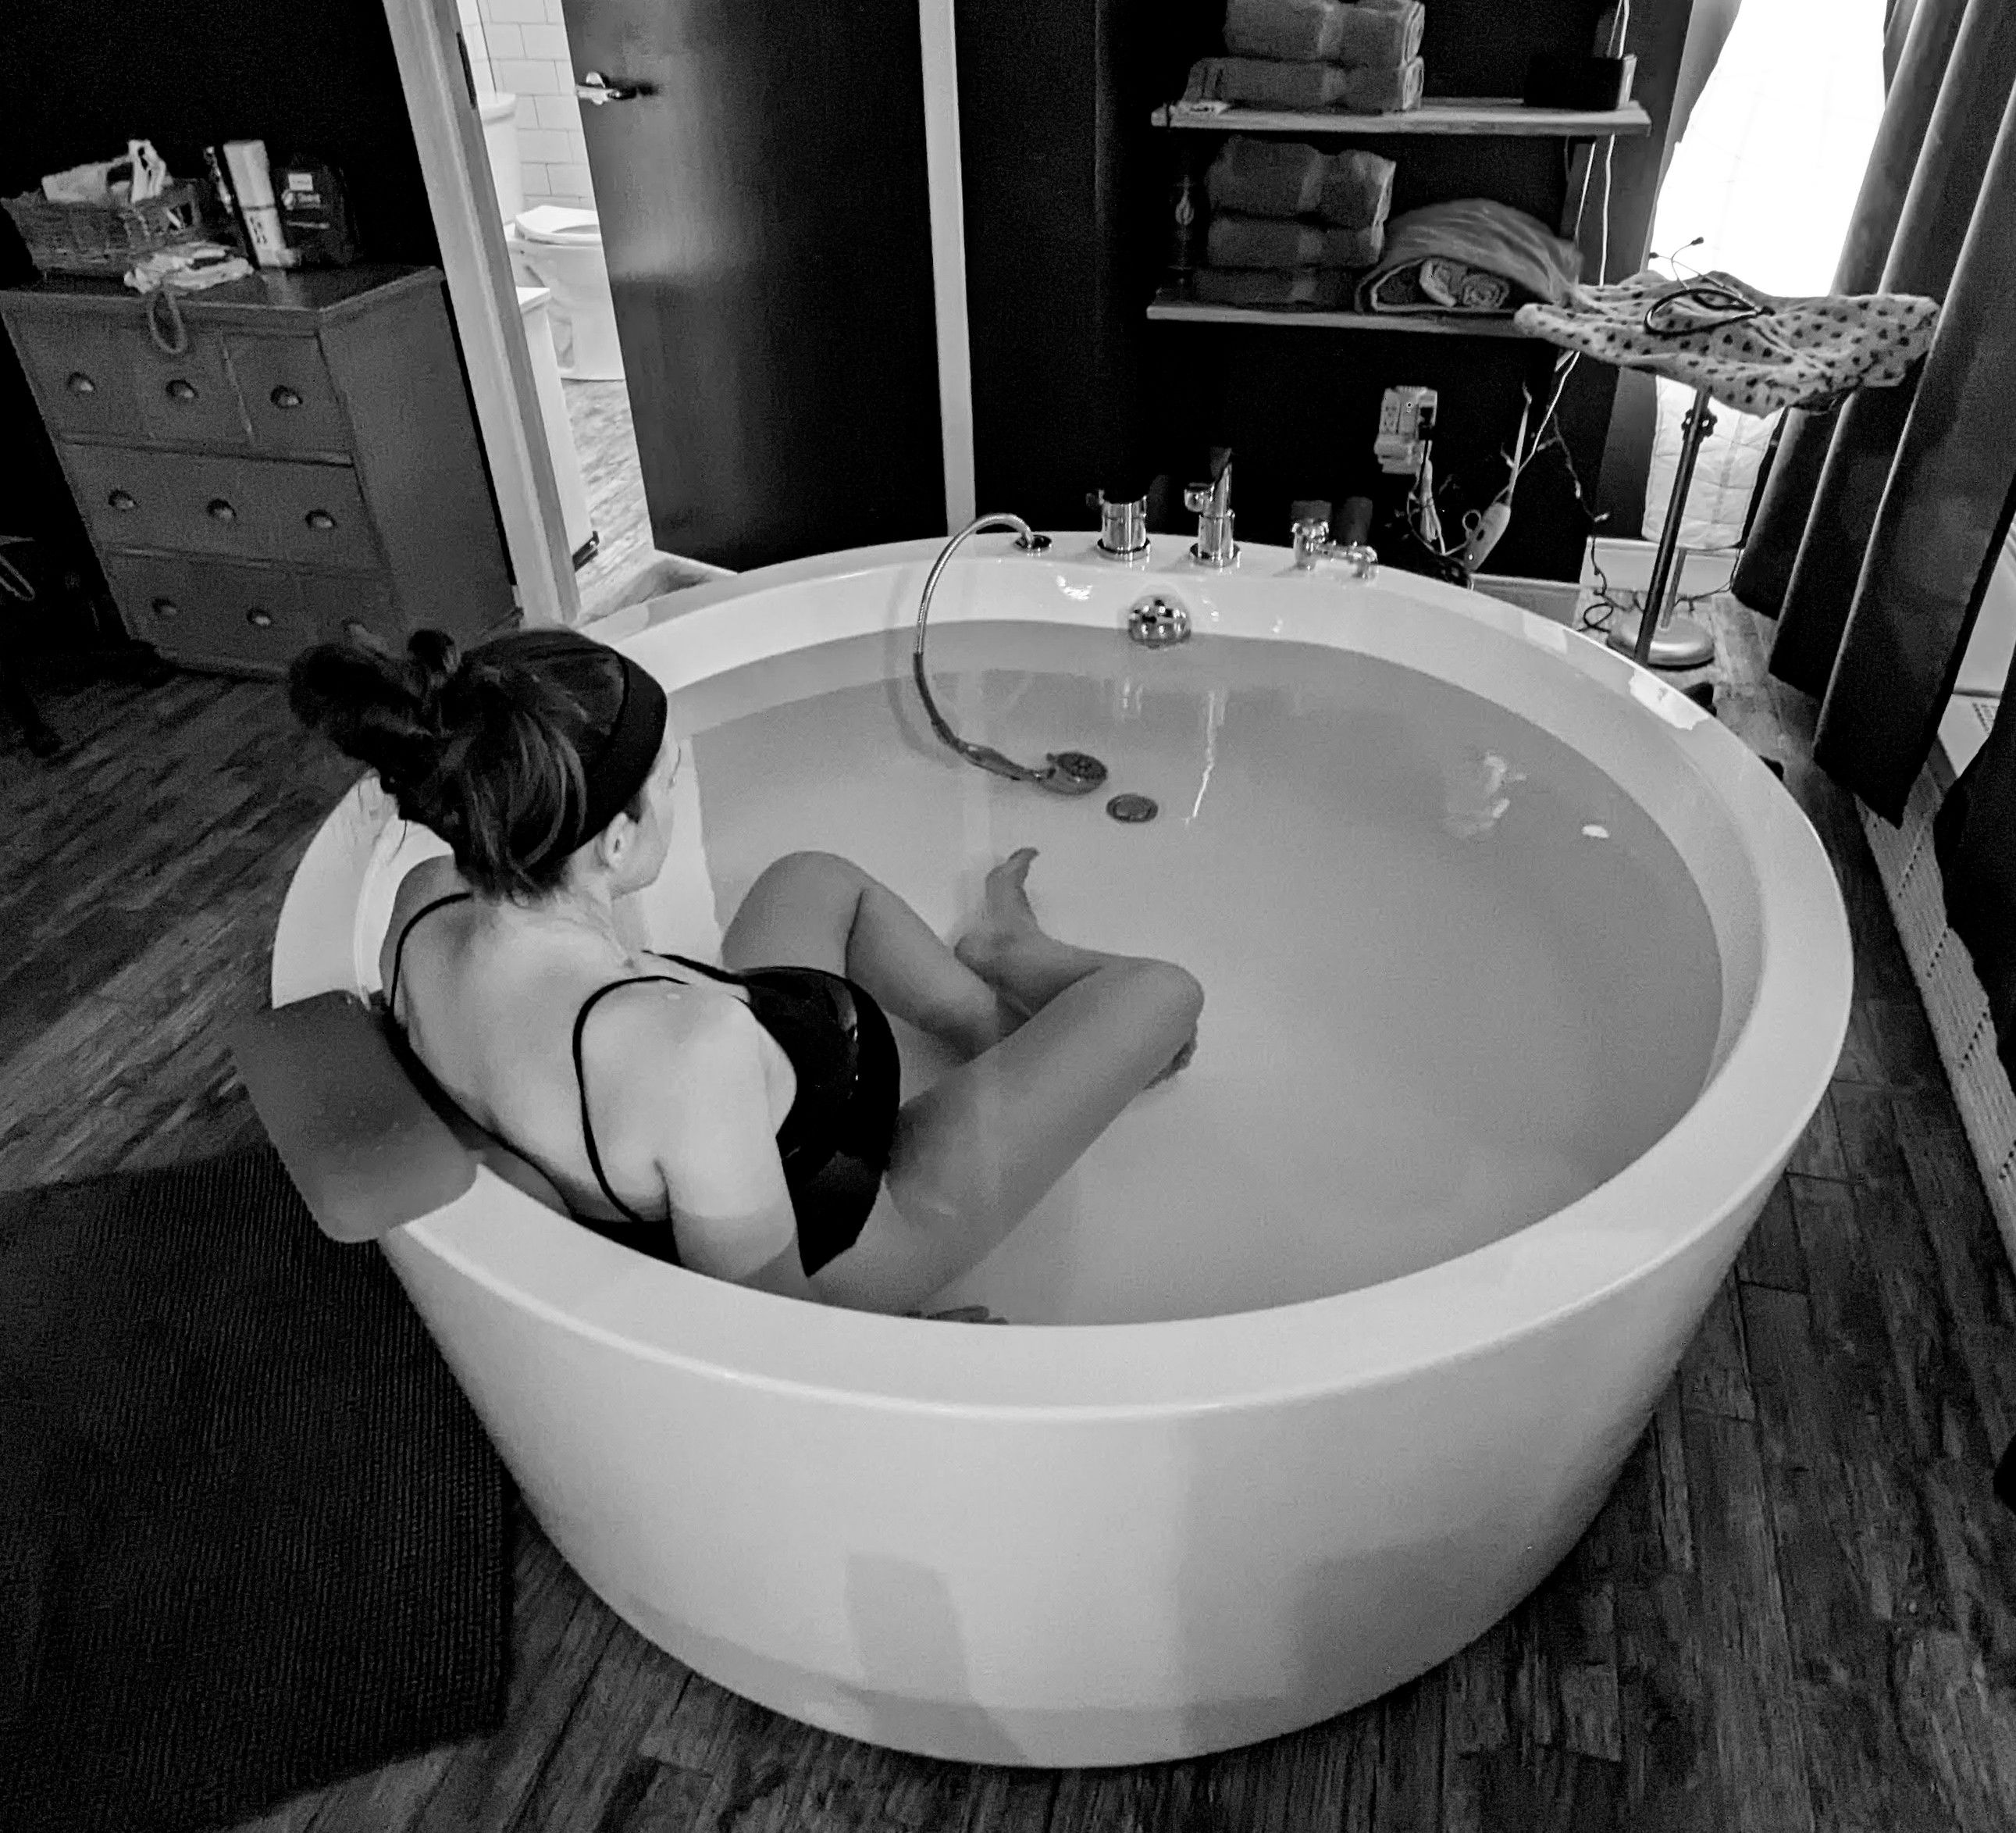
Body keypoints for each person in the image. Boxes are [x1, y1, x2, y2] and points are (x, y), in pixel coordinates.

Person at [288, 626, 1202, 1314]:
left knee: (811, 878)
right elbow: (766, 1324)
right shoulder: (689, 1052)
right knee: (1163, 996)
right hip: (857, 1230)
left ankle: (985, 1021)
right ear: (616, 840)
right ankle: (1016, 965)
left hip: (718, 1093)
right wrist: (916, 1357)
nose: (678, 781)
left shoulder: (427, 900)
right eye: (668, 775)